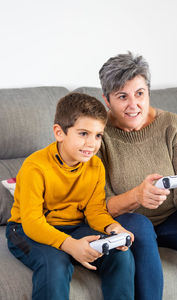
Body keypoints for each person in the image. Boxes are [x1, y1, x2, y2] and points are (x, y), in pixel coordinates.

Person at [6, 92, 135, 300]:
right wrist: (70, 245)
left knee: (121, 255)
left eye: (98, 135)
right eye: (83, 133)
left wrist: (113, 228)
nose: (91, 144)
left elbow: (95, 211)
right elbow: (32, 222)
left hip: (72, 227)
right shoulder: (35, 167)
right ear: (59, 133)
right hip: (25, 229)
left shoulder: (95, 166)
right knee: (55, 263)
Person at [98, 52, 177, 299]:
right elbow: (101, 207)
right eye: (122, 96)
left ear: (148, 92)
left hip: (170, 222)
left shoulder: (172, 125)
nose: (134, 105)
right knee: (142, 226)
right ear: (107, 100)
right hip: (127, 222)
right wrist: (137, 196)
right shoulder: (97, 135)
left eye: (140, 93)